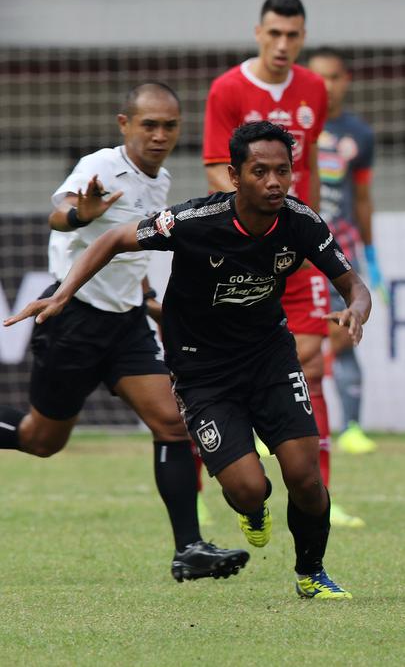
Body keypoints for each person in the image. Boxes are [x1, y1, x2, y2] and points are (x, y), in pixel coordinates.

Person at [8, 121, 372, 599]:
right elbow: (115, 239)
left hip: (269, 358)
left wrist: (356, 311)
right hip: (202, 371)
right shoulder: (195, 220)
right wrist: (62, 294)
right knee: (248, 489)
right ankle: (251, 508)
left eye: (282, 171)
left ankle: (311, 573)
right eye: (260, 172)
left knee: (305, 477)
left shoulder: (302, 222)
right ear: (234, 175)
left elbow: (353, 285)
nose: (274, 183)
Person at [0, 83, 248, 582]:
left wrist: (151, 304)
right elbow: (61, 213)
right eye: (148, 125)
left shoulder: (159, 180)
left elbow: (129, 251)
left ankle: (189, 550)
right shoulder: (100, 166)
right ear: (124, 125)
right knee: (42, 440)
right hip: (75, 319)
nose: (159, 135)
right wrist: (78, 215)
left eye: (169, 126)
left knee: (174, 424)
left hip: (126, 324)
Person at [203, 0, 363, 528]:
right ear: (258, 32)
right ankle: (238, 486)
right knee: (222, 369)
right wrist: (248, 237)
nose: (282, 45)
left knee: (314, 365)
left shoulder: (313, 88)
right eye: (274, 34)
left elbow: (310, 164)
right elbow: (213, 171)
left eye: (293, 36)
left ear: (303, 37)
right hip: (242, 252)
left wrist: (306, 231)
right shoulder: (227, 89)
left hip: (295, 247)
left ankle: (319, 493)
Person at [307, 47, 381, 458]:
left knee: (345, 333)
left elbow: (364, 196)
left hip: (340, 251)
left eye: (334, 77)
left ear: (346, 80)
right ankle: (268, 424)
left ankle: (351, 427)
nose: (327, 86)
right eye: (318, 77)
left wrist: (371, 255)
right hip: (294, 252)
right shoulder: (293, 125)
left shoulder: (359, 134)